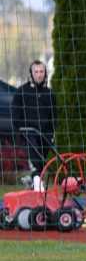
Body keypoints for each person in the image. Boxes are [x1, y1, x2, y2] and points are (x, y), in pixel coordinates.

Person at [11, 60, 58, 190]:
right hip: (28, 133)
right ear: (31, 73)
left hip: (45, 135)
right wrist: (22, 130)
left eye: (41, 71)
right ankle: (37, 185)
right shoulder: (21, 92)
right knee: (36, 161)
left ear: (45, 73)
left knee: (42, 162)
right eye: (36, 72)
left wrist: (50, 133)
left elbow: (54, 116)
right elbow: (16, 116)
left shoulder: (50, 94)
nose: (39, 75)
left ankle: (36, 183)